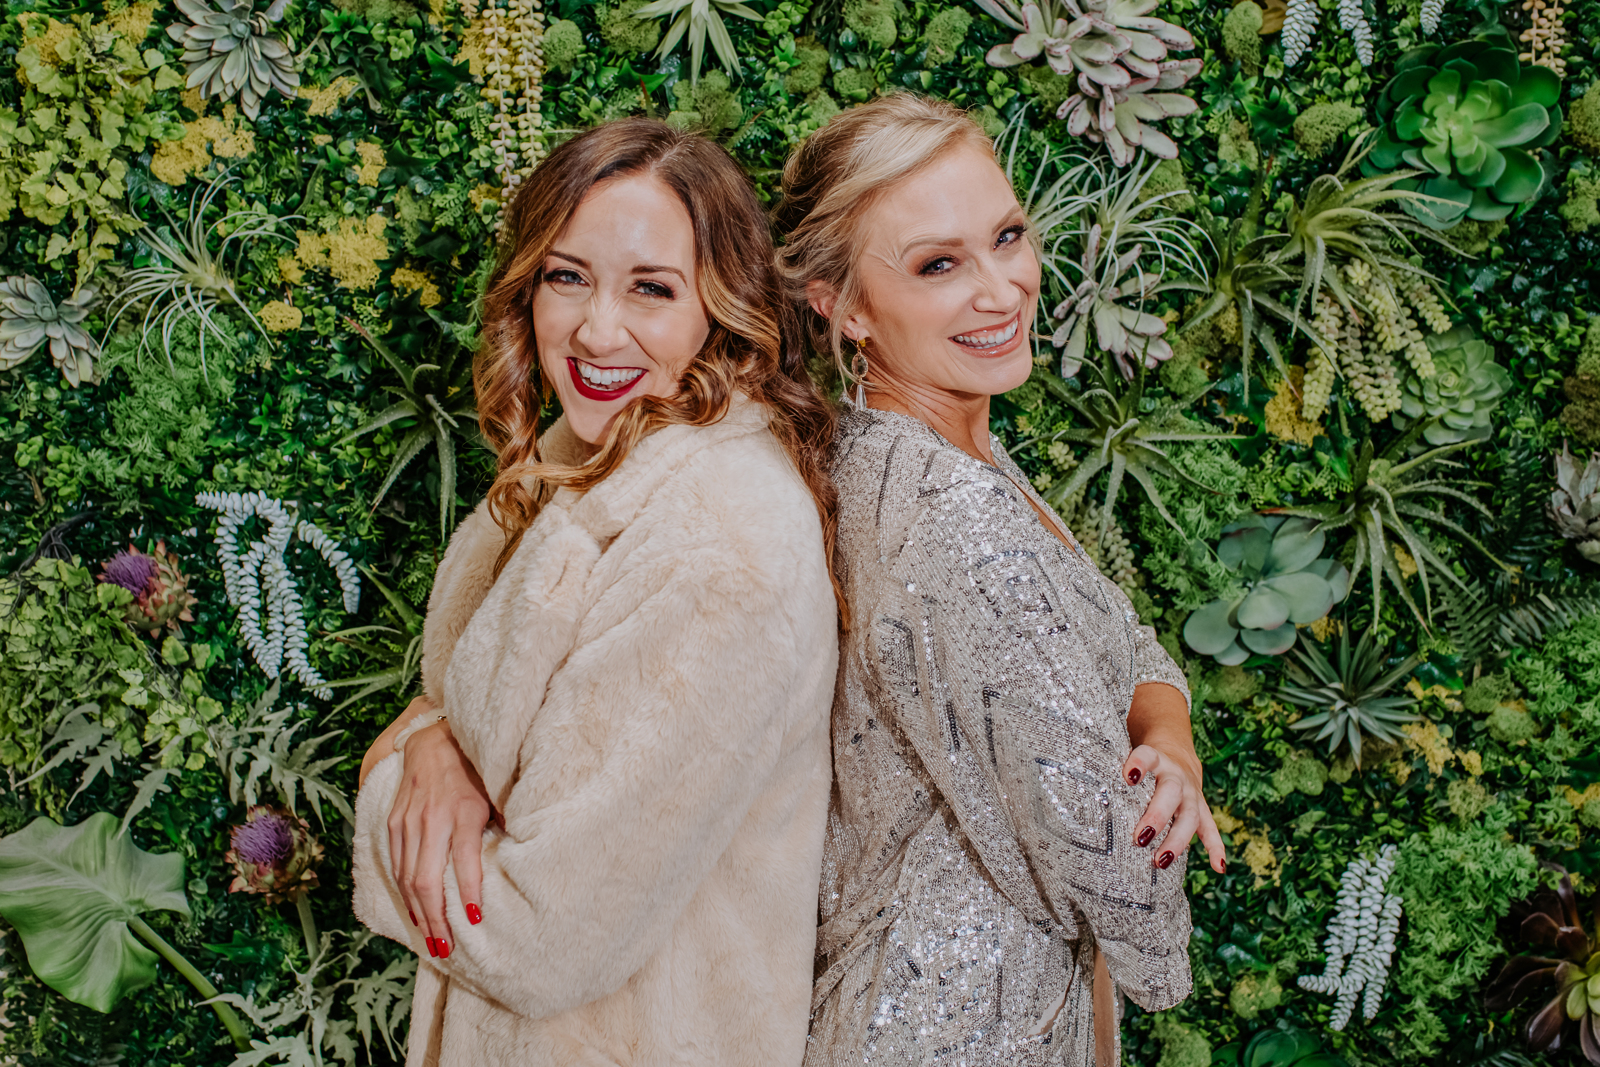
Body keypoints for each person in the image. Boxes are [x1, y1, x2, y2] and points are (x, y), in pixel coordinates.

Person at [351, 118, 842, 1067]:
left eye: (650, 288)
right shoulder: (597, 458)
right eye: (567, 276)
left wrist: (387, 773)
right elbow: (481, 721)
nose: (596, 329)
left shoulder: (720, 549)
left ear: (721, 308)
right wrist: (435, 746)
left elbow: (539, 935)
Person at [772, 94, 1227, 1067]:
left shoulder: (905, 453)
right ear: (843, 306)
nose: (1002, 289)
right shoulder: (955, 513)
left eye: (1007, 236)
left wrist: (1168, 742)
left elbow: (1124, 644)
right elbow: (1132, 892)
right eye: (938, 265)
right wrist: (1156, 901)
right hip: (963, 1027)